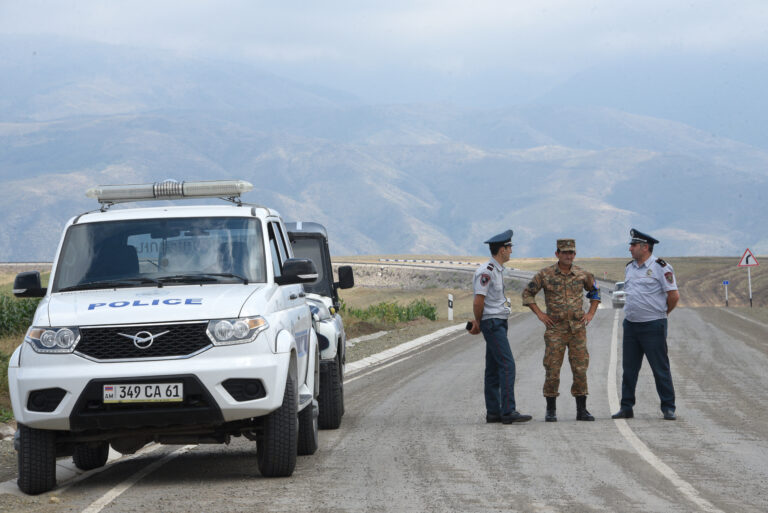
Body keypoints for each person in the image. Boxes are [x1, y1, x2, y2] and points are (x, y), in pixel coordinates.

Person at [522, 239, 601, 422]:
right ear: (557, 254)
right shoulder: (545, 274)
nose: (568, 255)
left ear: (575, 254)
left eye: (571, 252)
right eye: (564, 252)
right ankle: (551, 410)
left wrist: (590, 313)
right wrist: (540, 314)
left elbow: (595, 292)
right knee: (552, 368)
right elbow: (527, 293)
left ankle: (582, 410)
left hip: (577, 329)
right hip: (555, 329)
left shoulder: (583, 274)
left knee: (580, 369)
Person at [612, 229, 680, 421]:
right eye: (631, 245)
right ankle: (626, 407)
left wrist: (662, 314)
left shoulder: (661, 267)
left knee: (660, 368)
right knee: (629, 369)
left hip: (653, 326)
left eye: (633, 245)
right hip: (632, 326)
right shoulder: (629, 267)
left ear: (645, 247)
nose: (630, 248)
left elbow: (673, 296)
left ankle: (668, 407)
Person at [469, 229, 532, 424]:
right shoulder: (486, 272)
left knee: (493, 368)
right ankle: (508, 410)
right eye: (509, 247)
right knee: (507, 365)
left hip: (498, 322)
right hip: (493, 322)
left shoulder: (496, 269)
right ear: (501, 249)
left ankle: (494, 412)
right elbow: (478, 301)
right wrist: (478, 322)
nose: (511, 250)